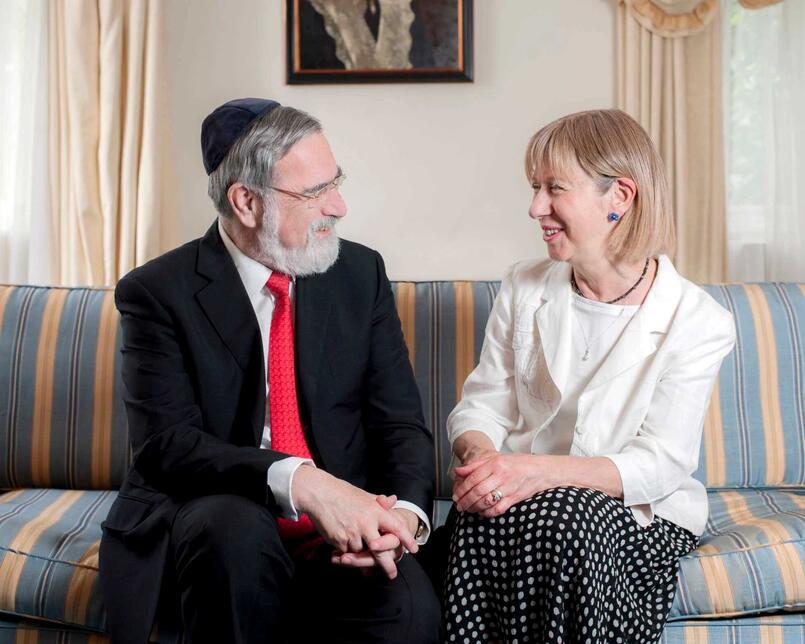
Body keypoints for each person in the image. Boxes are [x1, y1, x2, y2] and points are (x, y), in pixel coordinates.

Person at [99, 98, 439, 644]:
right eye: (315, 193)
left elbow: (399, 423)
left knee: (409, 612)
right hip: (220, 519)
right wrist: (301, 481)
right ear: (247, 202)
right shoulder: (158, 293)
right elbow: (168, 447)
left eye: (337, 181)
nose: (340, 206)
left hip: (344, 531)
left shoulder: (360, 273)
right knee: (232, 534)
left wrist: (402, 518)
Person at [442, 109, 736, 643]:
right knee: (483, 515)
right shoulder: (524, 286)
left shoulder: (698, 322)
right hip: (526, 502)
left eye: (555, 188)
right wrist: (487, 464)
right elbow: (480, 406)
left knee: (566, 516)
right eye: (535, 188)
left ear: (619, 197)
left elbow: (660, 464)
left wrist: (534, 472)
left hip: (638, 518)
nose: (535, 208)